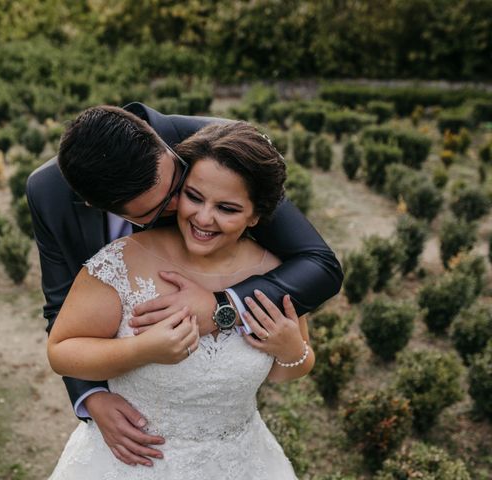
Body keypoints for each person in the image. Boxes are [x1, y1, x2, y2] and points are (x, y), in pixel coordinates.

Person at [26, 103, 343, 467]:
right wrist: (92, 396)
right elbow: (61, 310)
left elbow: (318, 265)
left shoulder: (220, 153)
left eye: (180, 185)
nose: (187, 210)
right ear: (99, 207)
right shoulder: (51, 195)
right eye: (161, 207)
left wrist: (221, 307)